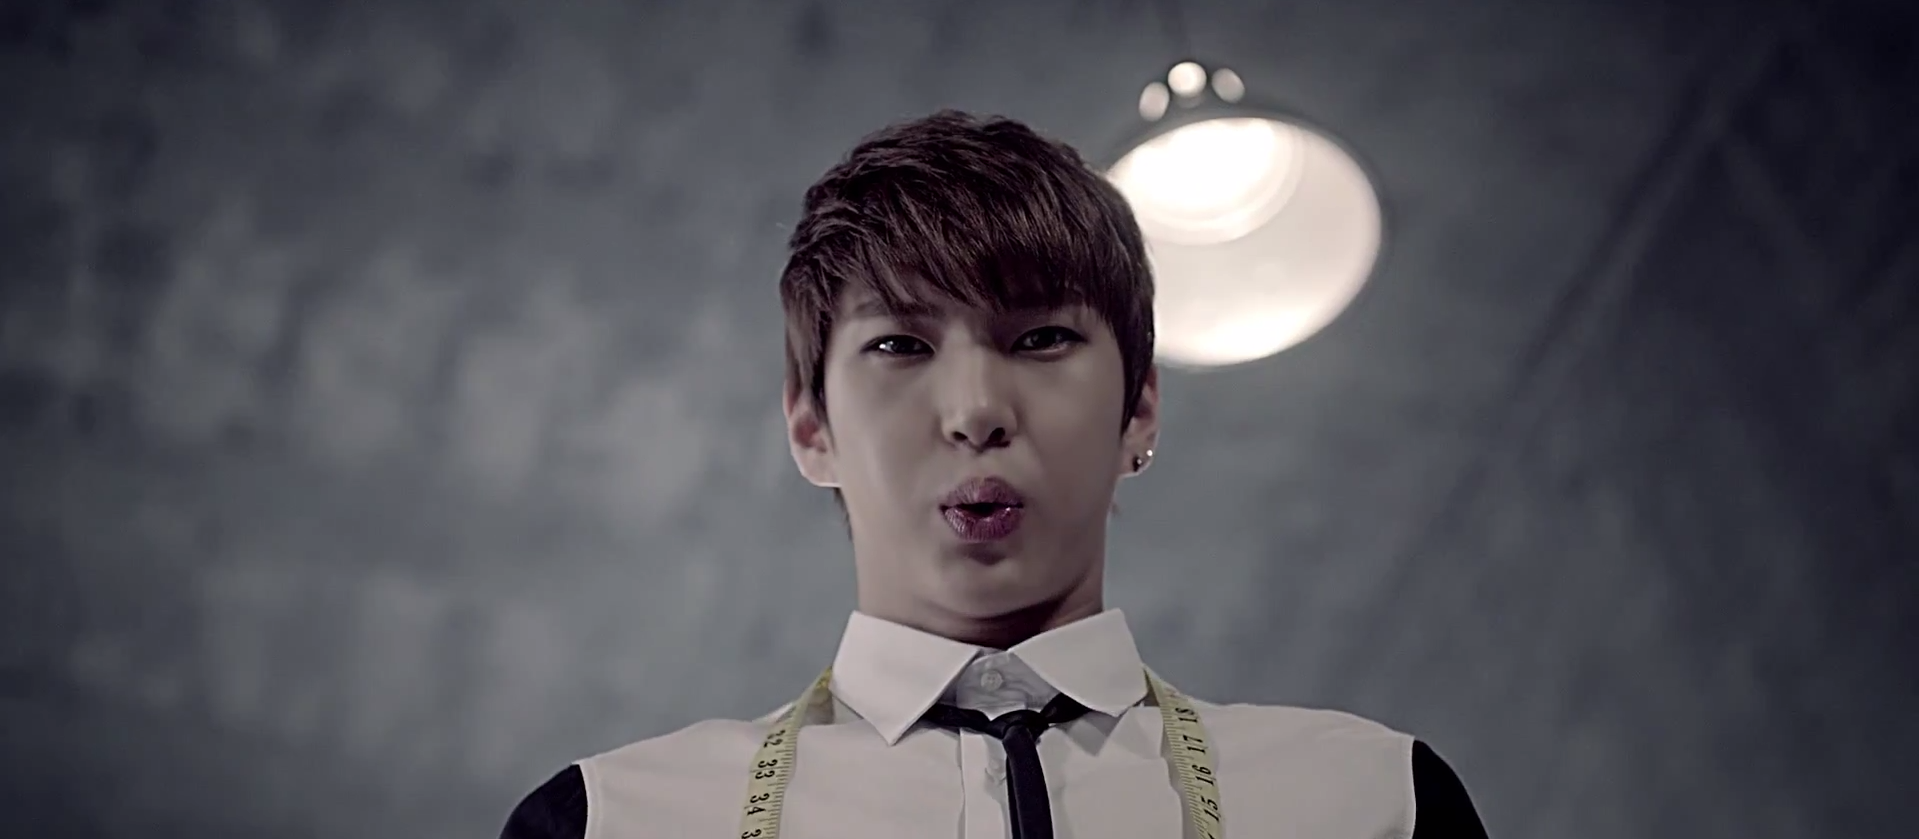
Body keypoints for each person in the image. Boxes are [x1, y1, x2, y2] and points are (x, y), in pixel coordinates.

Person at [499, 110, 1490, 839]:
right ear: (810, 426)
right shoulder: (611, 820)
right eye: (898, 344)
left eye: (1042, 337)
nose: (975, 409)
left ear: (1139, 407)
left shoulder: (1374, 801)